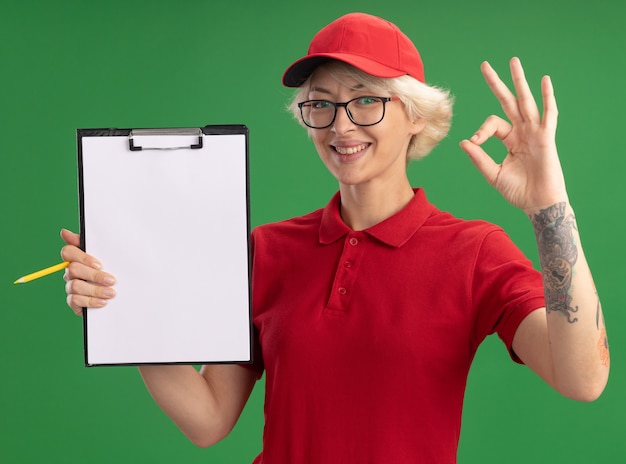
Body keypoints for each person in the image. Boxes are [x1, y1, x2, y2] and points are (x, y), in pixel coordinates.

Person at [60, 12, 609, 464]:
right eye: (321, 103)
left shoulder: (474, 252)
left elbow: (582, 377)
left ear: (415, 115)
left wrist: (549, 210)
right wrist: (127, 312)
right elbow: (208, 420)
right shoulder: (263, 250)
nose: (341, 126)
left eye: (366, 99)